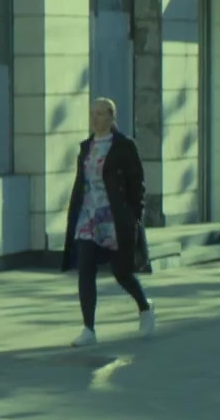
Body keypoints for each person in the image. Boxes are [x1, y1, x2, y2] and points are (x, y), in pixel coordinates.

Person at [61, 98, 155, 347]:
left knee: (121, 272)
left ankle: (145, 307)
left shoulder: (124, 146)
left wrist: (134, 216)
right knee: (85, 270)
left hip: (114, 217)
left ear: (112, 117)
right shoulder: (86, 147)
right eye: (93, 114)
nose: (95, 119)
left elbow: (137, 185)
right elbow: (82, 182)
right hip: (88, 216)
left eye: (100, 114)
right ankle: (88, 329)